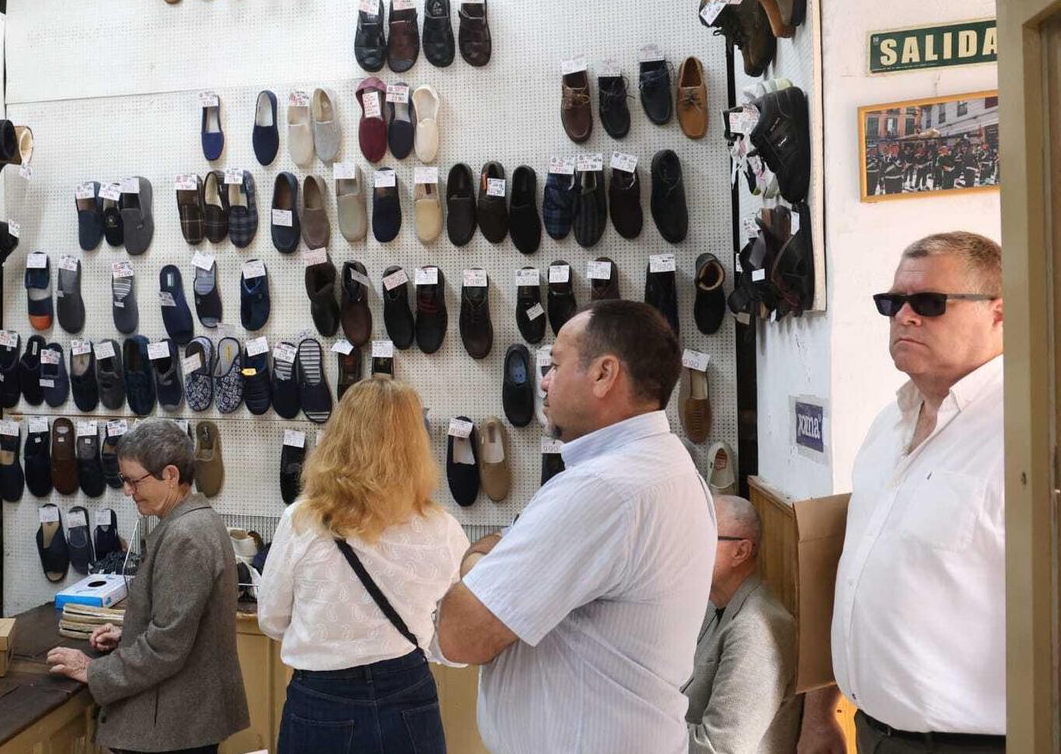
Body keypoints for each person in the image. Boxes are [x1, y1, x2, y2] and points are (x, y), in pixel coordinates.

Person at [434, 299, 716, 753]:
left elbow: (460, 634)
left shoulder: (602, 490)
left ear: (604, 374)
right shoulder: (668, 466)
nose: (544, 382)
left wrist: (475, 561)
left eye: (555, 365)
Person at [801, 232, 1005, 754]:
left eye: (930, 303)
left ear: (1000, 312)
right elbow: (859, 573)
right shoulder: (886, 425)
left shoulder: (1024, 434)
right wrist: (821, 710)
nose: (904, 317)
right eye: (892, 303)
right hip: (873, 732)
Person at [257, 377, 469, 753]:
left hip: (322, 698)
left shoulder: (303, 521)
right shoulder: (442, 528)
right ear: (416, 443)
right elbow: (453, 635)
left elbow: (271, 619)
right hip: (409, 689)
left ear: (339, 435)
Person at [46, 419, 248, 754]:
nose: (127, 490)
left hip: (173, 726)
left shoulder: (186, 536)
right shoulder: (196, 521)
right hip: (182, 720)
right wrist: (131, 629)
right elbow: (183, 622)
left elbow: (165, 646)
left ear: (170, 475)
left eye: (133, 480)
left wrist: (94, 670)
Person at [684, 495, 799, 754]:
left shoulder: (757, 630)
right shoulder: (712, 604)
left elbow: (719, 748)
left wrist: (642, 725)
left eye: (701, 534)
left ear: (741, 552)